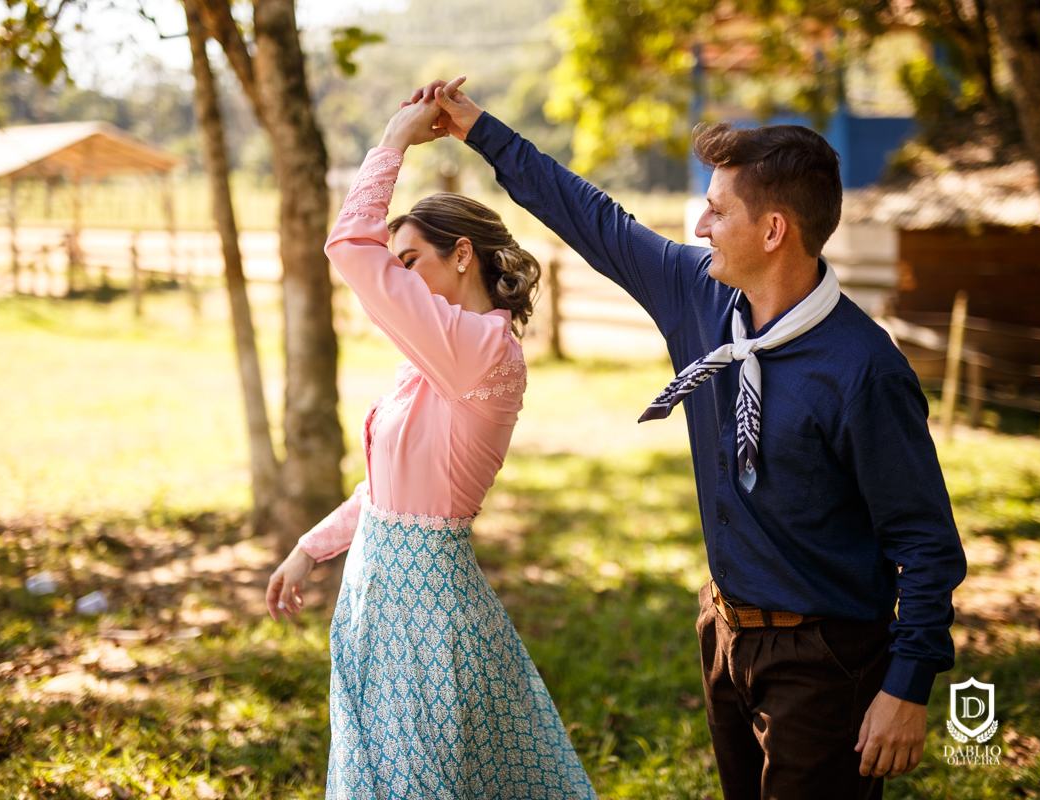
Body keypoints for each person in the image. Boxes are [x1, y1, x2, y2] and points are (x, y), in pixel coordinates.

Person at [408, 77, 968, 799]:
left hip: (827, 656)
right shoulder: (698, 294)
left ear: (773, 231)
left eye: (717, 211)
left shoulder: (864, 371)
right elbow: (591, 217)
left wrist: (907, 685)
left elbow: (926, 542)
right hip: (725, 631)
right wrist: (480, 130)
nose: (700, 226)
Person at [265, 95, 598, 800]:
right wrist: (309, 548)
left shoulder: (483, 350)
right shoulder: (433, 361)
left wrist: (394, 139)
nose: (400, 276)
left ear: (463, 254)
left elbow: (349, 251)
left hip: (428, 617)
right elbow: (386, 491)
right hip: (373, 602)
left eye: (411, 260)